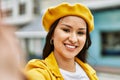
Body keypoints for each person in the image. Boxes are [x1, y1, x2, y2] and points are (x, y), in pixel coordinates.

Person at [25, 2, 99, 80]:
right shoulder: (38, 73)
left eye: (80, 33)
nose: (73, 39)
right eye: (66, 30)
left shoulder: (90, 73)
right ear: (52, 34)